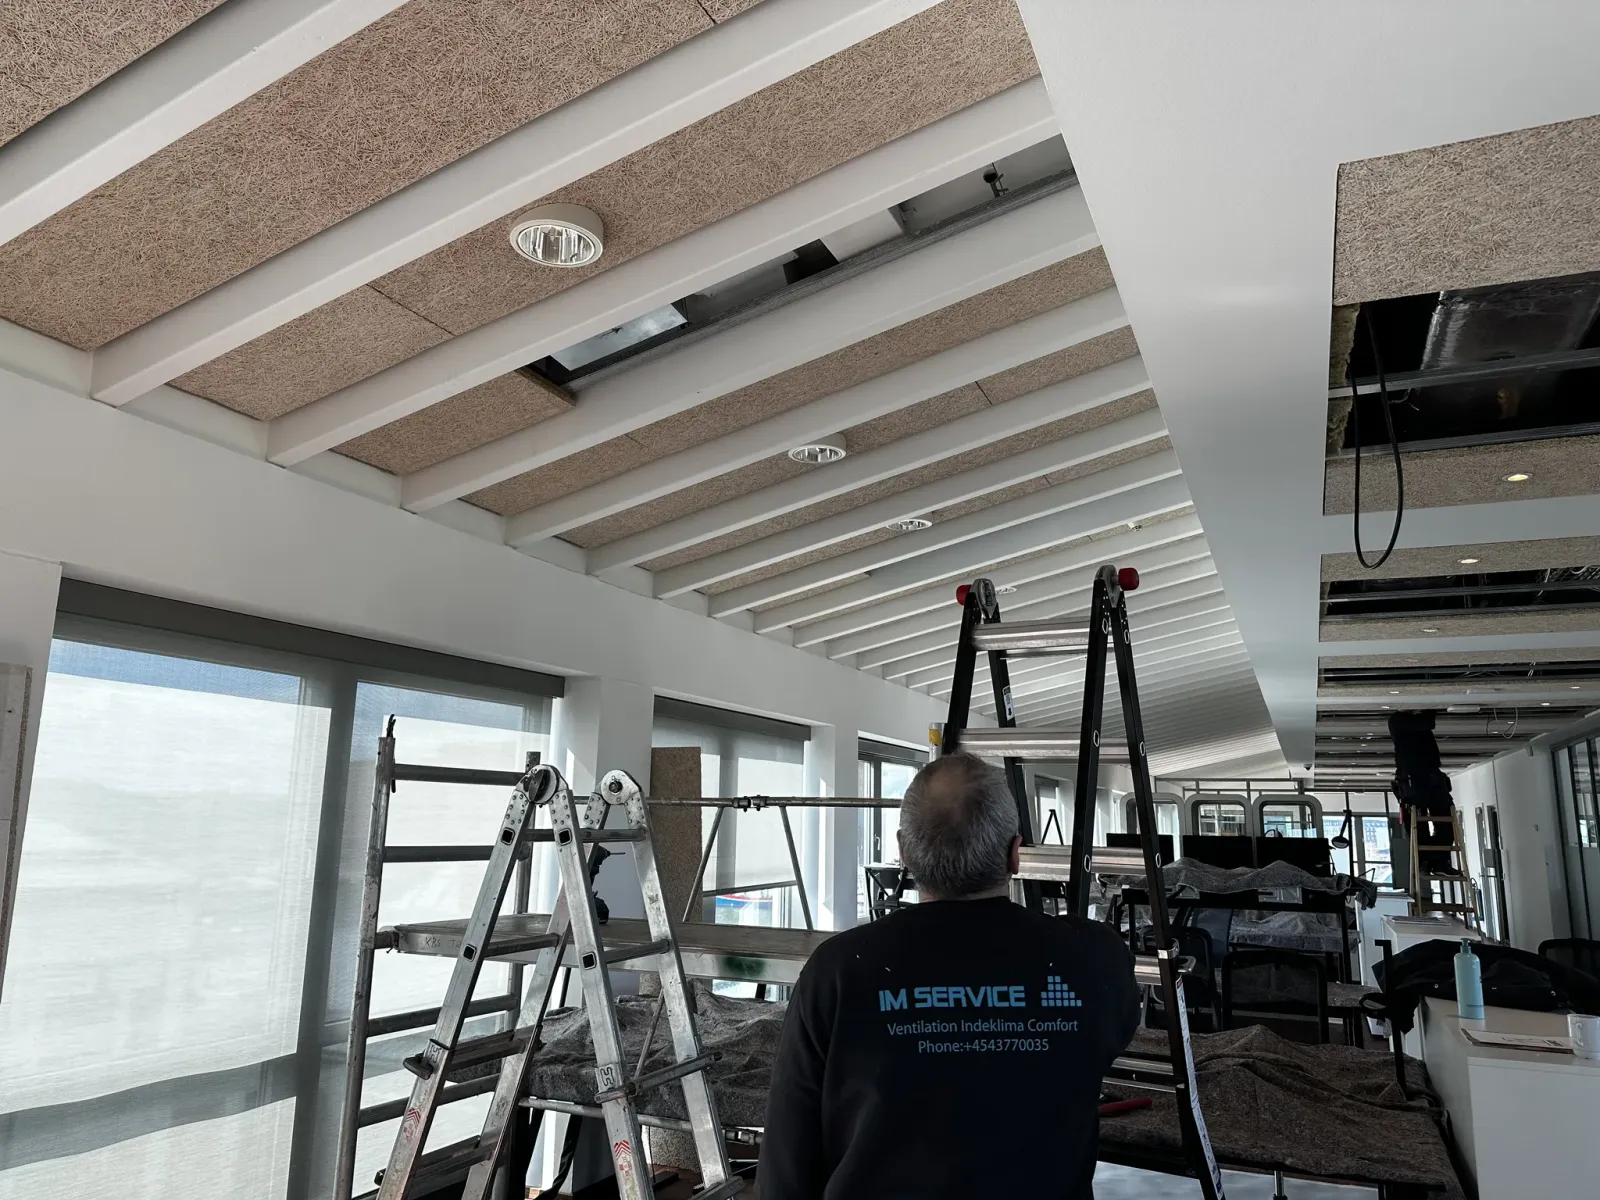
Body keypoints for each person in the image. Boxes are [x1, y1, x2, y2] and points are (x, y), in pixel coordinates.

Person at [760, 752, 1141, 1199]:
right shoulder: (1094, 960)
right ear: (1015, 854)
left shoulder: (838, 970)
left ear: (904, 853)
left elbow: (787, 1161)